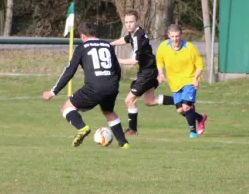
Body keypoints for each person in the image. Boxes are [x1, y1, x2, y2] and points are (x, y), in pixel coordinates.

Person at [43, 21, 130, 149]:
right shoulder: (108, 46)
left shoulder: (82, 48)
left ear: (83, 36)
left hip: (94, 87)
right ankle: (124, 143)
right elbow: (117, 69)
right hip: (111, 86)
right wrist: (113, 84)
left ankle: (82, 128)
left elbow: (69, 71)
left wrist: (53, 91)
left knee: (67, 108)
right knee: (109, 112)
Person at [110, 10, 174, 135]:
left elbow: (134, 61)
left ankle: (132, 129)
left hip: (148, 73)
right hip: (147, 70)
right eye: (126, 22)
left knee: (129, 100)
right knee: (149, 101)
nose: (128, 25)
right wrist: (112, 44)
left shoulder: (139, 37)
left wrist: (117, 60)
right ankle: (179, 100)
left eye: (131, 22)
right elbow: (126, 39)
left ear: (137, 21)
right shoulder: (134, 34)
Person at [156, 24, 207, 138]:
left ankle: (193, 132)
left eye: (177, 36)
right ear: (168, 36)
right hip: (174, 83)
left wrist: (195, 78)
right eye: (173, 36)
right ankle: (200, 118)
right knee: (180, 110)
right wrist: (161, 73)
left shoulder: (189, 48)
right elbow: (159, 60)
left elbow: (199, 65)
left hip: (189, 80)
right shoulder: (163, 46)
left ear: (181, 35)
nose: (175, 39)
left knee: (186, 107)